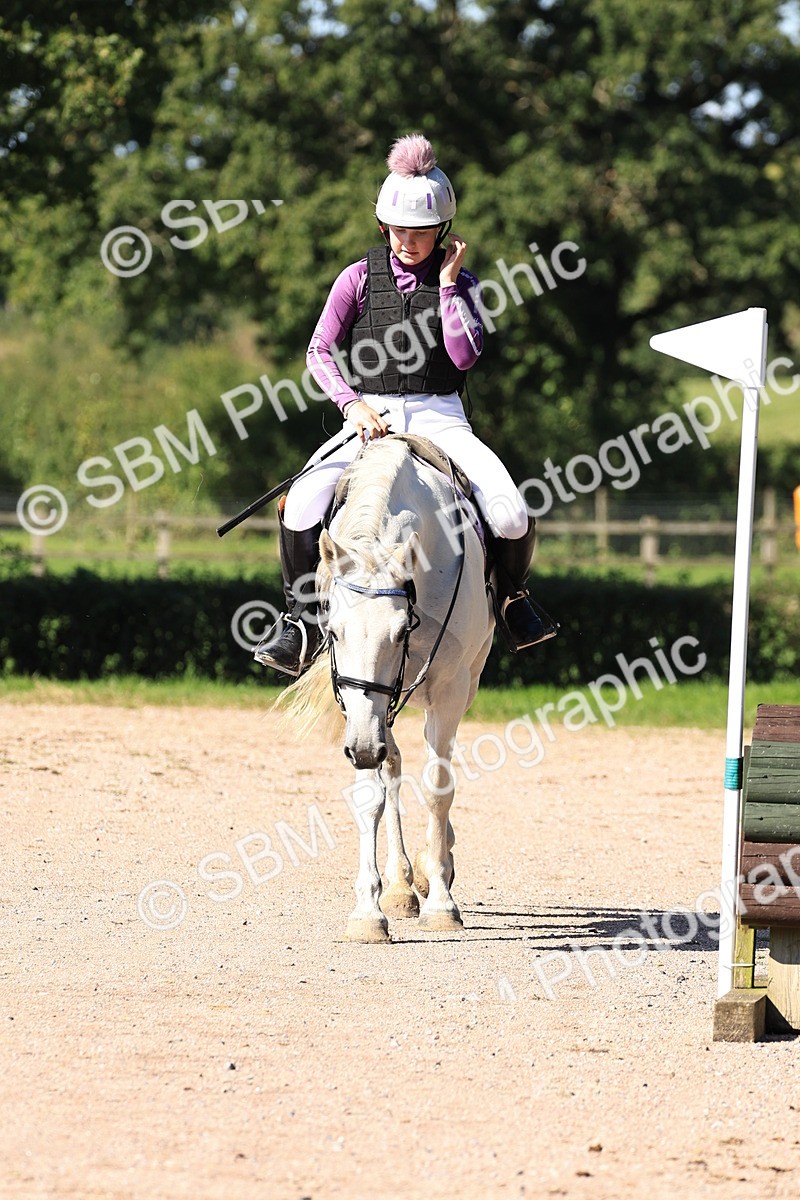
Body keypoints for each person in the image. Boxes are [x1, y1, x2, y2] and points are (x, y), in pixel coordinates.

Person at [255, 133, 556, 677]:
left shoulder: (463, 283)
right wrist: (352, 406)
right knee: (301, 502)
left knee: (511, 513)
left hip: (442, 417)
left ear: (442, 231)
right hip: (370, 415)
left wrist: (445, 288)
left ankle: (513, 601)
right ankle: (298, 621)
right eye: (397, 230)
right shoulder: (357, 277)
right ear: (383, 226)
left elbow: (464, 358)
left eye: (420, 232)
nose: (407, 242)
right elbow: (319, 349)